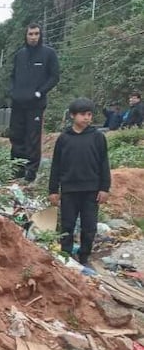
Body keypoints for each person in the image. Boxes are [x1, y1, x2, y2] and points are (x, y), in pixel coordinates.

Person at [48, 98, 111, 266]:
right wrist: (53, 190)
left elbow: (104, 163)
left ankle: (84, 258)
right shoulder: (64, 139)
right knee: (67, 225)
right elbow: (56, 165)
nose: (87, 118)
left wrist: (104, 188)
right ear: (72, 116)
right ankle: (66, 257)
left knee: (89, 227)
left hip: (91, 190)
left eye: (89, 114)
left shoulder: (98, 137)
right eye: (83, 114)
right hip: (69, 190)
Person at [9, 23, 60, 182]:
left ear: (40, 35)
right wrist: (12, 92)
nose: (33, 37)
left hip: (35, 105)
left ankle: (30, 174)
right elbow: (12, 76)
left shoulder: (49, 54)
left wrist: (39, 92)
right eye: (30, 34)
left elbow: (54, 77)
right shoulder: (20, 55)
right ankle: (16, 171)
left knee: (32, 137)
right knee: (16, 136)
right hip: (18, 104)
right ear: (26, 35)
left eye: (36, 34)